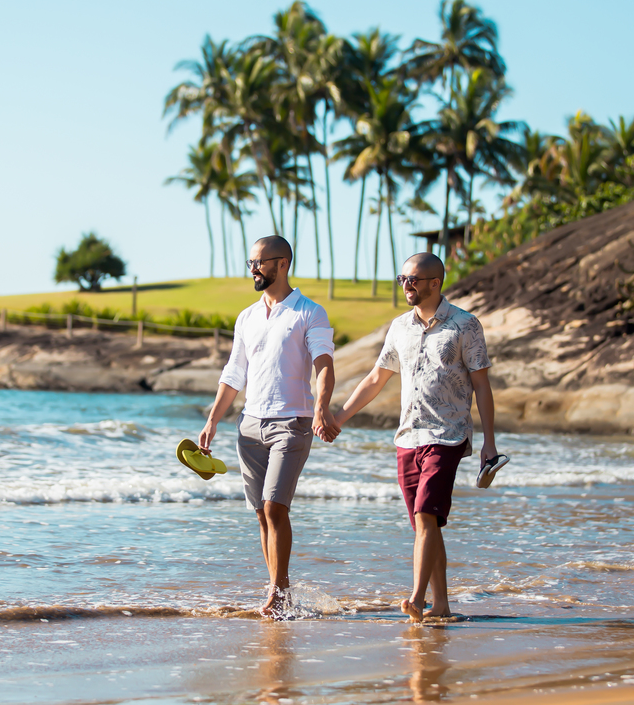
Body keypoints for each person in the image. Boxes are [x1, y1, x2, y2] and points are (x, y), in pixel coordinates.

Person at [334, 252, 499, 622]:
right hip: (407, 437)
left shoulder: (464, 325)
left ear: (435, 283)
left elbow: (482, 386)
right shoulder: (399, 327)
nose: (406, 285)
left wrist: (489, 442)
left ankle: (417, 599)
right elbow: (377, 377)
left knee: (426, 515)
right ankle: (442, 606)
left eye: (414, 280)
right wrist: (341, 416)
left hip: (448, 435)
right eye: (402, 279)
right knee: (428, 525)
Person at [198, 235, 341, 616]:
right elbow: (234, 372)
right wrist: (213, 419)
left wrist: (323, 407)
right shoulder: (246, 316)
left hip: (292, 423)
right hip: (249, 426)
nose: (253, 270)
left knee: (275, 507)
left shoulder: (310, 312)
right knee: (261, 513)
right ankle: (278, 590)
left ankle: (278, 593)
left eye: (259, 262)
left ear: (283, 264)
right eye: (250, 263)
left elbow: (323, 365)